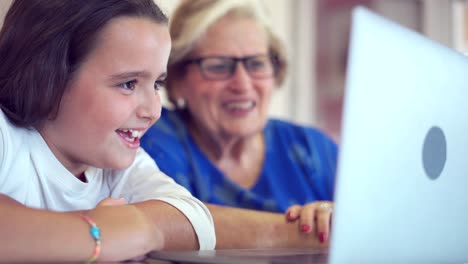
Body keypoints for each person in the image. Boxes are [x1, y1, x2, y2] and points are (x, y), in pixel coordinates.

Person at [0, 0, 215, 262]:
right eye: (128, 84)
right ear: (48, 76)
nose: (153, 111)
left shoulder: (117, 166)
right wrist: (98, 234)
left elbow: (196, 220)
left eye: (157, 83)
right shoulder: (6, 137)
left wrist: (136, 228)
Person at [141, 0, 337, 247]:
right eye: (219, 66)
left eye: (256, 64)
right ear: (177, 78)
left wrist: (335, 218)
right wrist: (307, 233)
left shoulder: (313, 148)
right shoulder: (154, 138)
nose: (243, 85)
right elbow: (158, 220)